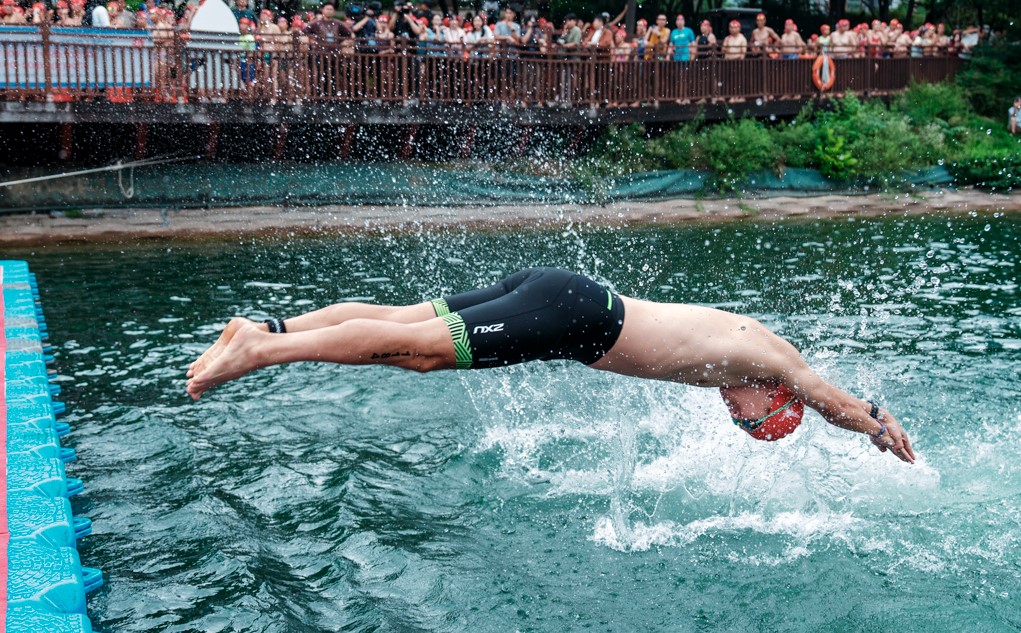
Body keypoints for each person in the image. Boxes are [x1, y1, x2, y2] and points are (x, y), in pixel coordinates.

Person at [185, 267, 915, 463]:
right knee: (421, 353)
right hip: (575, 316)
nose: (735, 419)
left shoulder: (744, 357)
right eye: (753, 423)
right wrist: (876, 427)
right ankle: (264, 351)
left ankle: (264, 328)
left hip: (566, 295)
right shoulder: (772, 359)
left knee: (404, 320)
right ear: (775, 398)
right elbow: (828, 396)